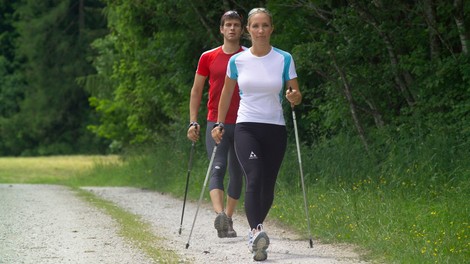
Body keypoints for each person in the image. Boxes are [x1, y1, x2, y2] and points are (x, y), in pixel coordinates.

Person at [211, 7, 302, 261]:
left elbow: (295, 93)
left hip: (274, 128)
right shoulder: (237, 61)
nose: (260, 30)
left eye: (265, 26)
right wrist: (219, 123)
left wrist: (294, 96)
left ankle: (257, 230)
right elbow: (227, 94)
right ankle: (256, 231)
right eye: (255, 26)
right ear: (248, 31)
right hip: (246, 126)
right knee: (254, 175)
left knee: (268, 187)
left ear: (271, 29)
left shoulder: (284, 58)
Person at [187, 10, 246, 238]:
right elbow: (196, 91)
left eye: (236, 25)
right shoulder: (208, 57)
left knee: (237, 172)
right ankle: (219, 216)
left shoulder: (248, 56)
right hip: (216, 122)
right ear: (221, 29)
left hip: (243, 122)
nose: (232, 29)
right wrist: (193, 121)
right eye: (228, 25)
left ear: (242, 30)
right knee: (217, 167)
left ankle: (228, 219)